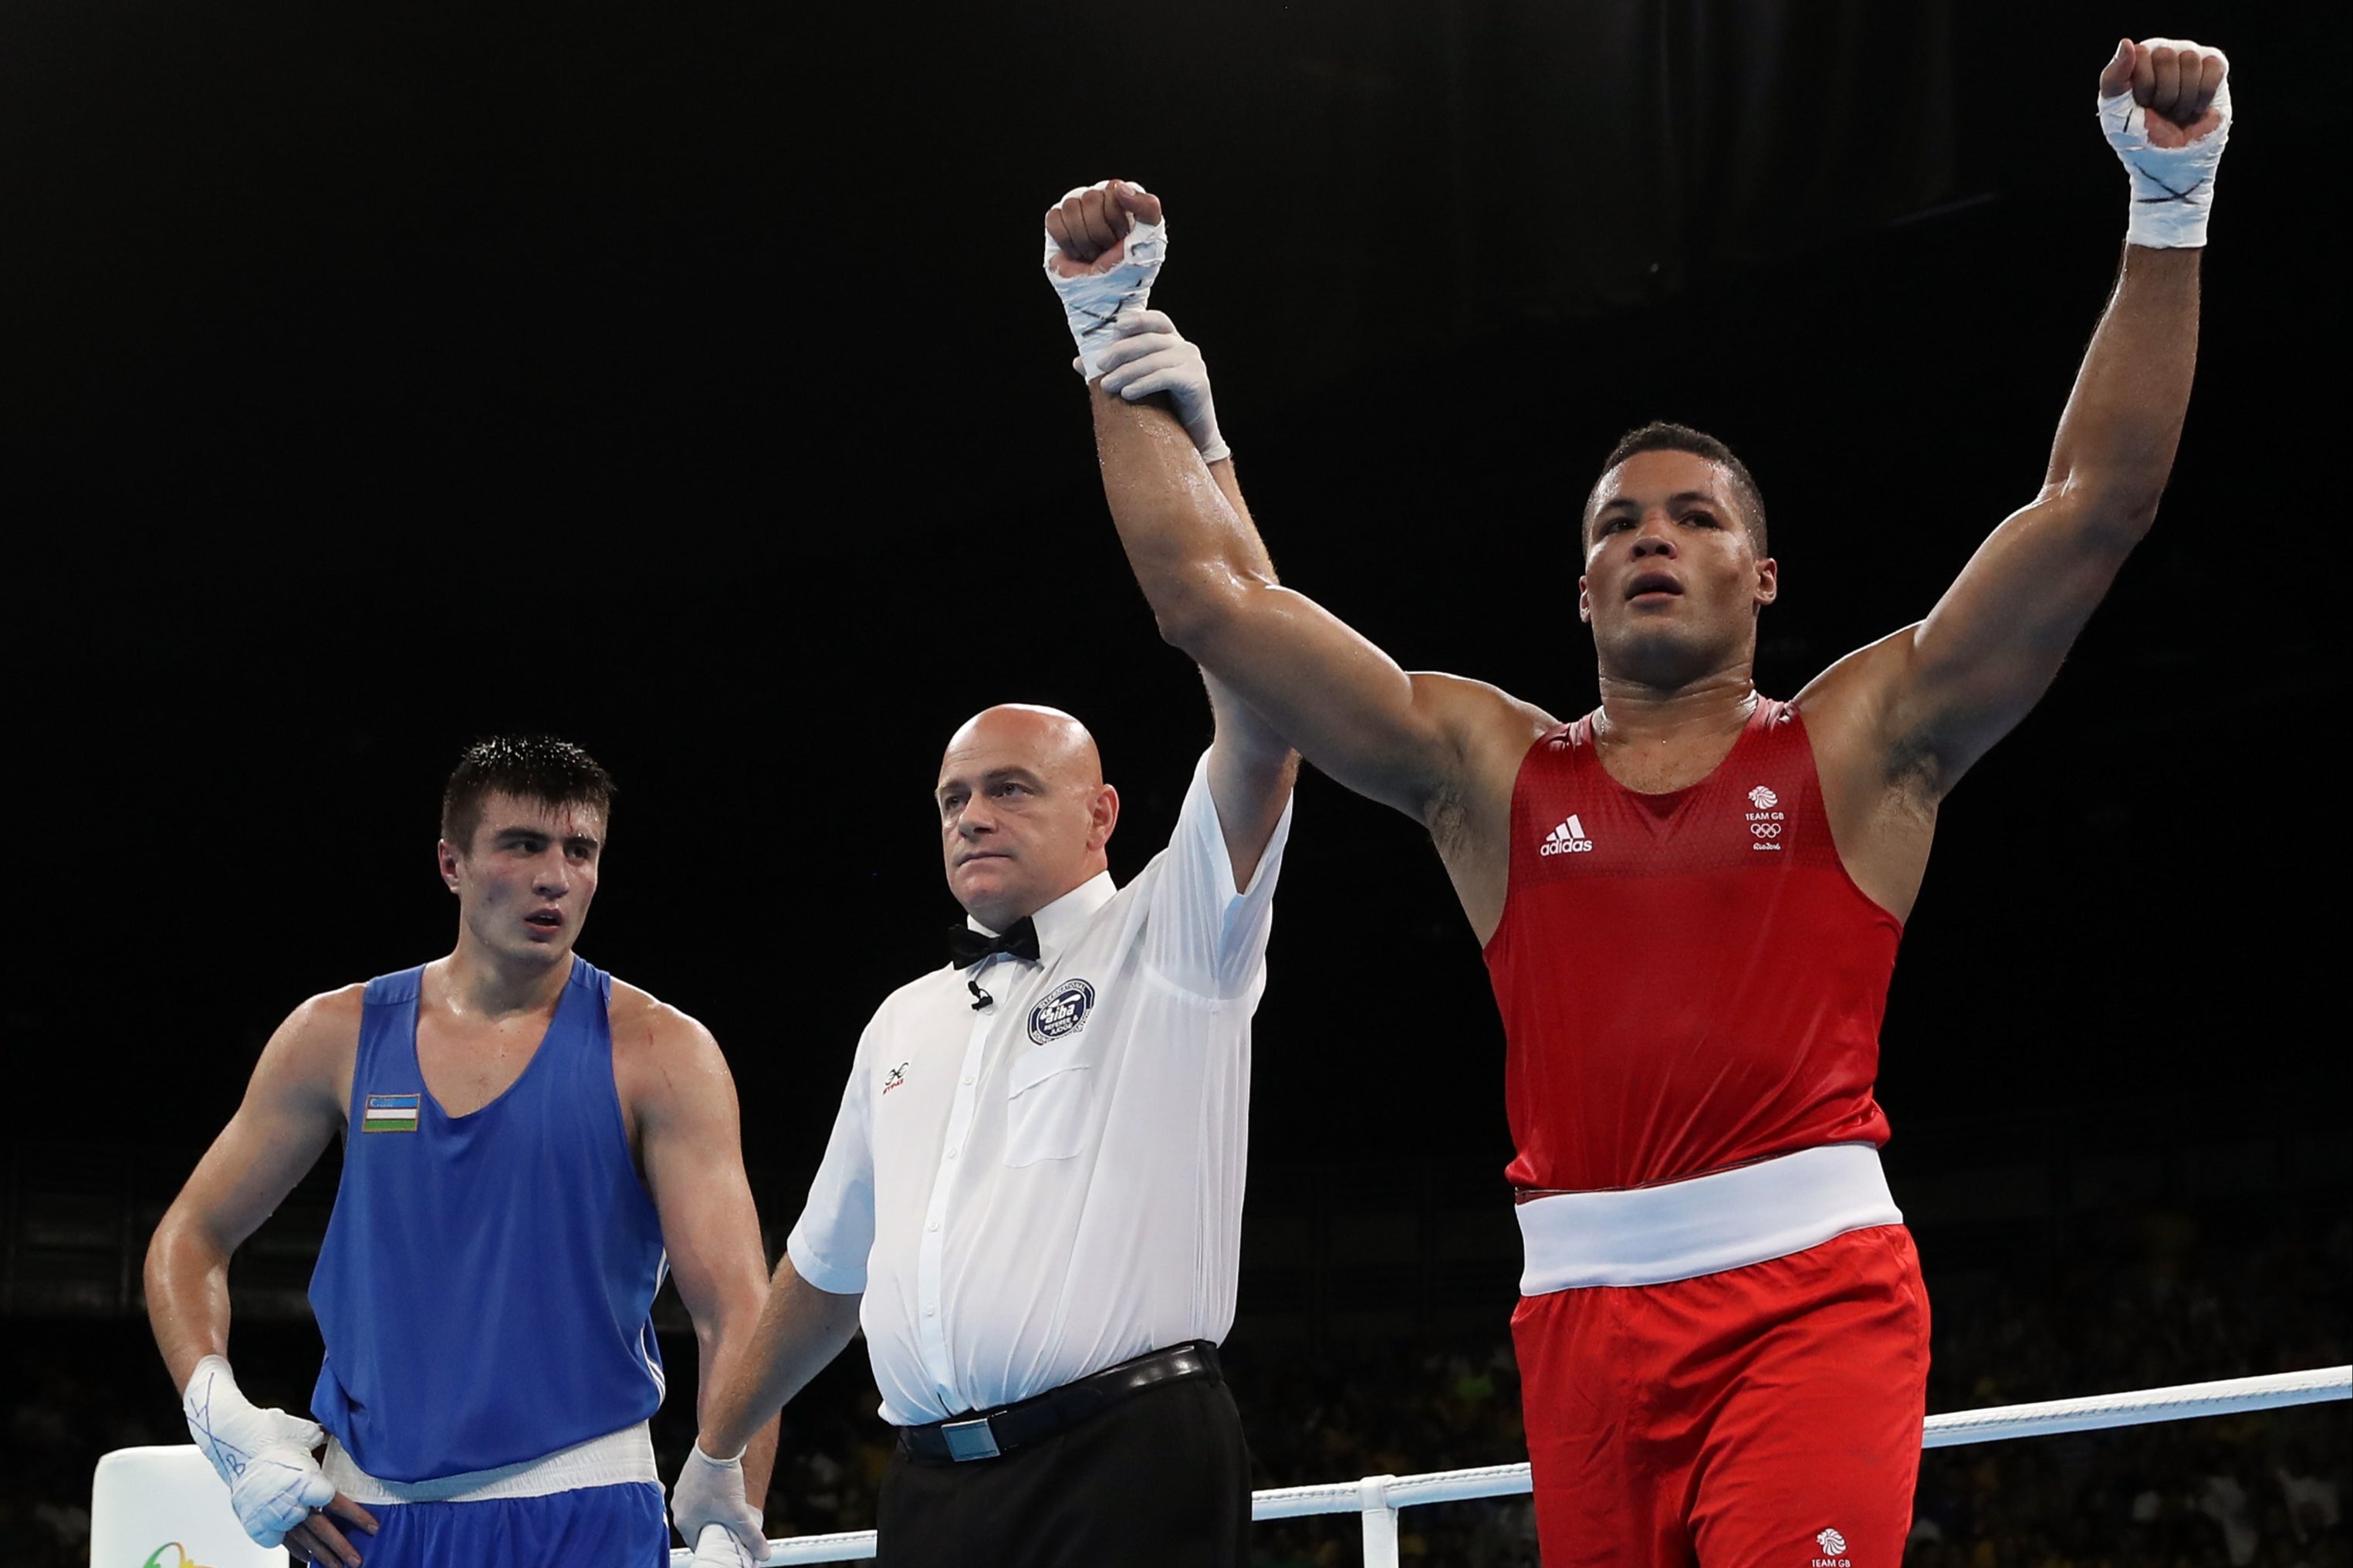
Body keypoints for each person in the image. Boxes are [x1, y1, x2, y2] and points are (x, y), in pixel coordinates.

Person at [1039, 35, 2231, 1566]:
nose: (1653, 537)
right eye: (1619, 524)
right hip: (1578, 1324)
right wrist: (1108, 331)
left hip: (1811, 1297)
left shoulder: (1865, 741)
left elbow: (2093, 508)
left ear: (1762, 575)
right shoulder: (1490, 770)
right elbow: (1219, 607)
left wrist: (2169, 200)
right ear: (1583, 584)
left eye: (1694, 516)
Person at [668, 699, 1297, 1568]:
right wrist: (717, 1448)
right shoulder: (901, 1021)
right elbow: (824, 1271)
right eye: (952, 799)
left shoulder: (1171, 938)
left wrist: (1209, 602)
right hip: (931, 1488)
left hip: (1125, 1463)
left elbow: (1261, 743)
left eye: (1010, 788)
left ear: (1099, 813)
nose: (973, 817)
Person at [145, 735, 778, 1566]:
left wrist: (734, 1496)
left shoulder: (662, 1051)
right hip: (364, 1523)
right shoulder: (333, 1035)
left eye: (580, 850)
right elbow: (188, 1237)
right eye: (523, 844)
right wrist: (227, 1426)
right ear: (452, 862)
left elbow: (736, 1310)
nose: (556, 875)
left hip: (581, 1511)